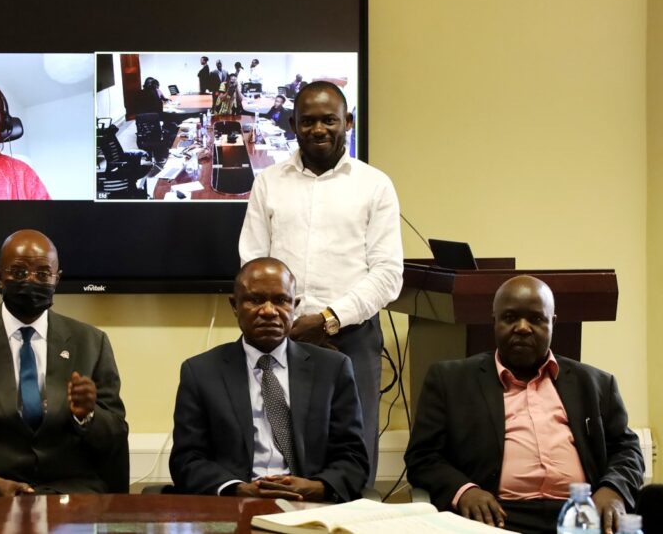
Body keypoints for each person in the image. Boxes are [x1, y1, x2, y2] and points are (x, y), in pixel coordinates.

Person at [238, 81, 403, 485]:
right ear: (293, 124)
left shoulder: (375, 185)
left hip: (351, 337)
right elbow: (252, 261)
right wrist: (285, 320)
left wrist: (329, 319)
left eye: (329, 120)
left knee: (353, 451)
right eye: (308, 120)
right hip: (281, 336)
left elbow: (387, 274)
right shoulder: (269, 182)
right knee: (281, 449)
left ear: (347, 122)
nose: (319, 129)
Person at [405, 276, 644, 534]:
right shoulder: (450, 381)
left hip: (582, 517)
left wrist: (613, 489)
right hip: (496, 517)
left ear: (552, 323)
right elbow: (423, 457)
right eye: (509, 317)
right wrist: (465, 492)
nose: (522, 327)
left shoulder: (595, 383)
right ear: (494, 321)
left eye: (536, 319)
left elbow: (627, 448)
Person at [0, 229, 128, 498]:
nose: (31, 281)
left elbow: (115, 437)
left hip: (70, 493)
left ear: (57, 280)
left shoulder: (91, 342)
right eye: (19, 273)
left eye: (43, 274)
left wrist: (87, 414)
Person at [169, 258, 369, 502]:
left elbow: (353, 457)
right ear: (234, 305)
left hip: (312, 505)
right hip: (234, 504)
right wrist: (239, 489)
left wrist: (314, 487)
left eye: (281, 300)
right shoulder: (200, 372)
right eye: (254, 300)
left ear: (294, 306)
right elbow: (187, 460)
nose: (268, 311)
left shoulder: (333, 369)